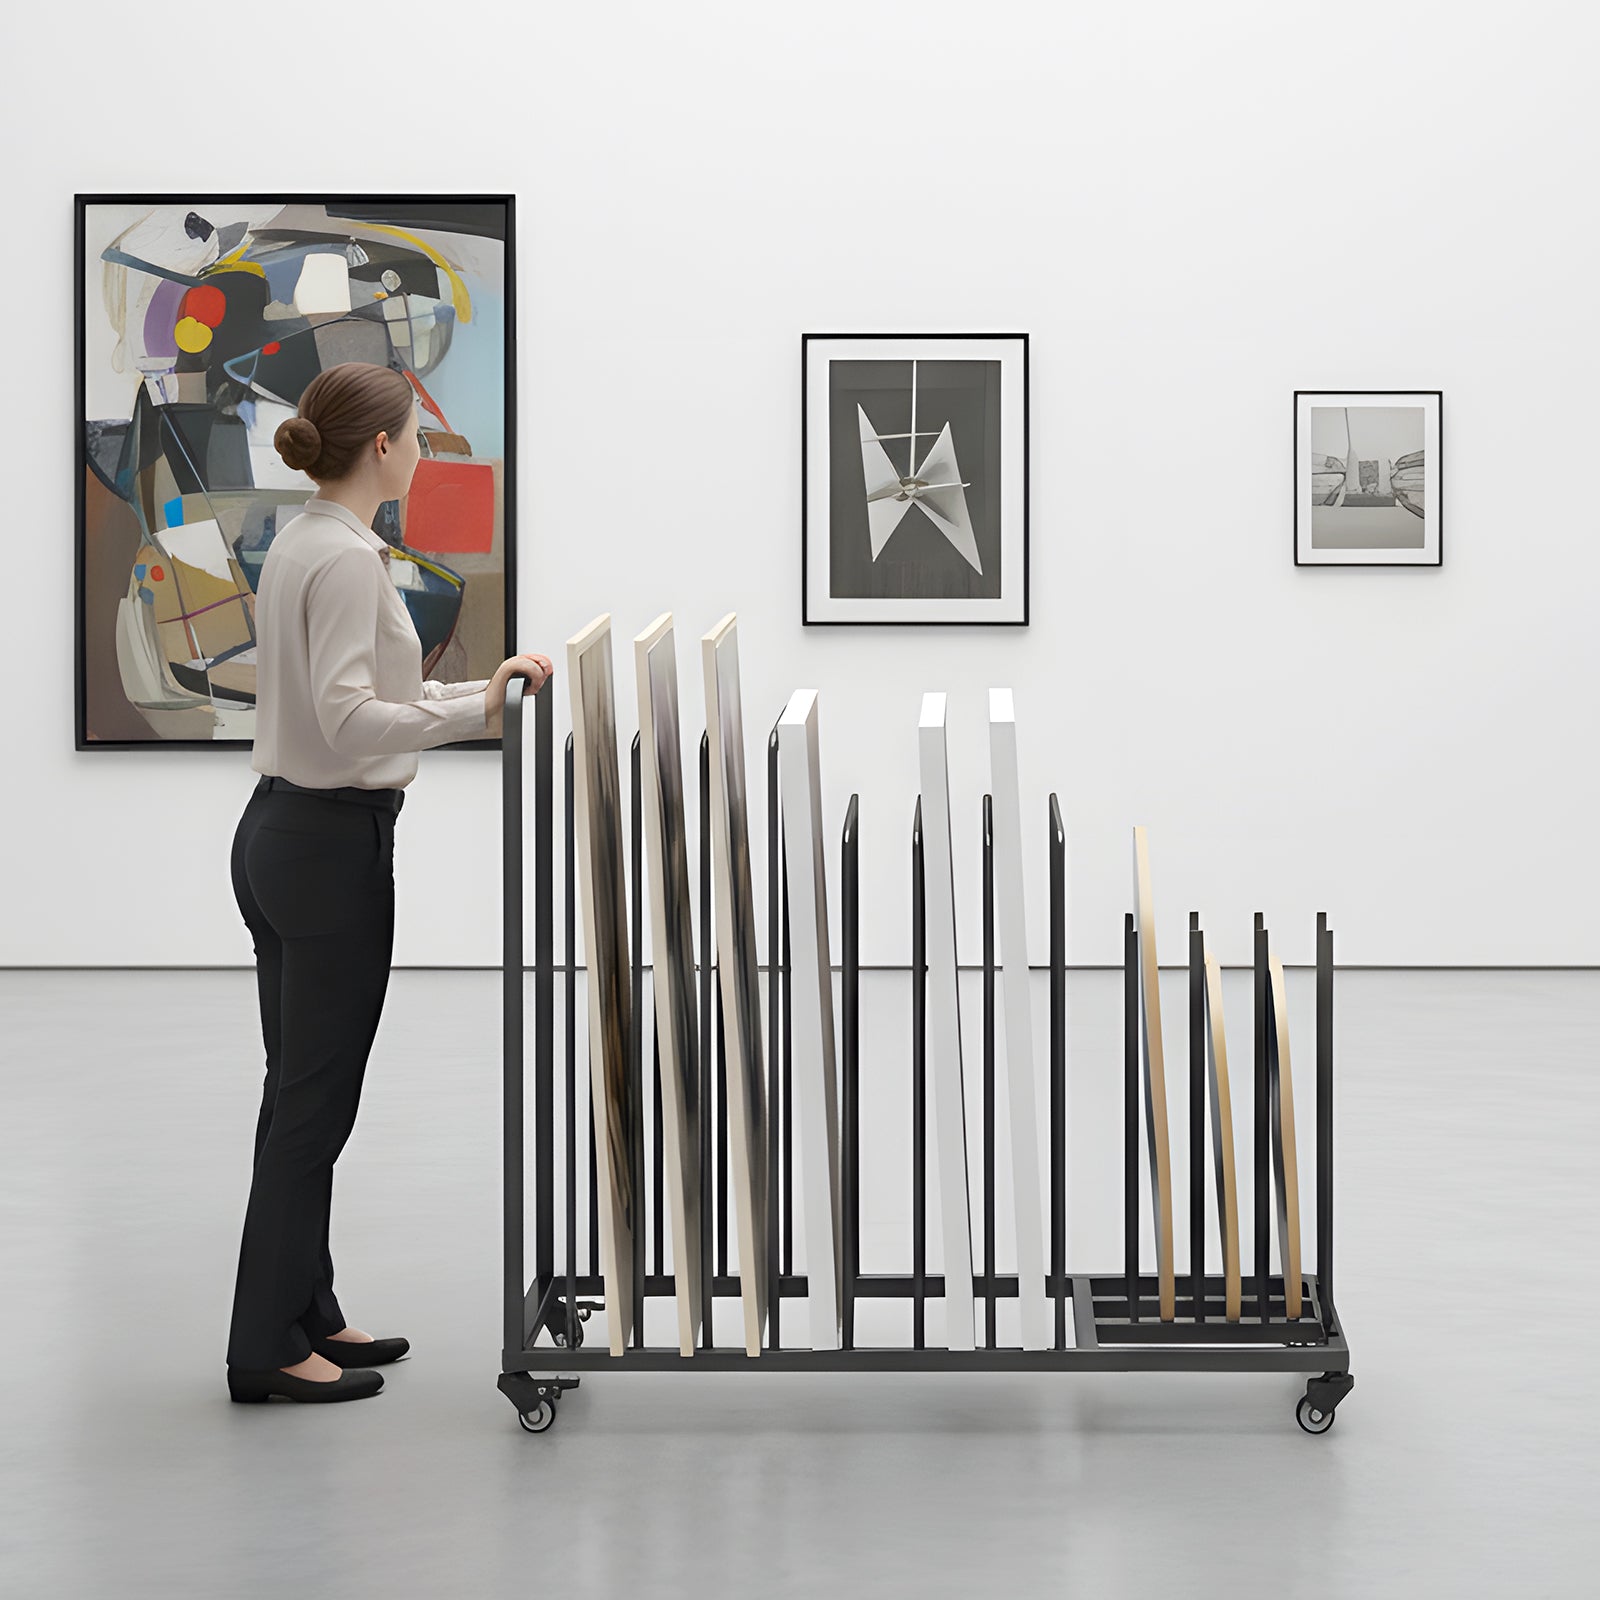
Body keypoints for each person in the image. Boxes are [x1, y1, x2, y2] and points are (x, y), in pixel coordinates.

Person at [226, 360, 550, 1404]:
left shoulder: (307, 542)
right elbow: (349, 719)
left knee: (299, 1091)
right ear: (381, 446)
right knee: (314, 1104)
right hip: (328, 847)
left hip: (280, 832)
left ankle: (306, 1311)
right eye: (413, 435)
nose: (420, 450)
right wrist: (473, 717)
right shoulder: (349, 562)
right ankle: (265, 1347)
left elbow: (366, 698)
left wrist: (482, 693)